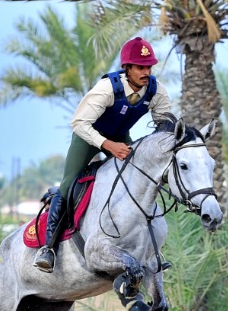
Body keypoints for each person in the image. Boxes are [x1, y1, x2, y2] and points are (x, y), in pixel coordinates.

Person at [34, 36, 175, 273]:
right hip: (88, 137)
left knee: (141, 180)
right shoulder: (107, 88)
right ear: (127, 68)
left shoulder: (156, 90)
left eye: (149, 67)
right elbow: (79, 123)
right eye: (140, 67)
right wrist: (108, 145)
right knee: (68, 186)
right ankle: (47, 248)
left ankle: (150, 249)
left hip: (120, 137)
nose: (146, 72)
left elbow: (164, 124)